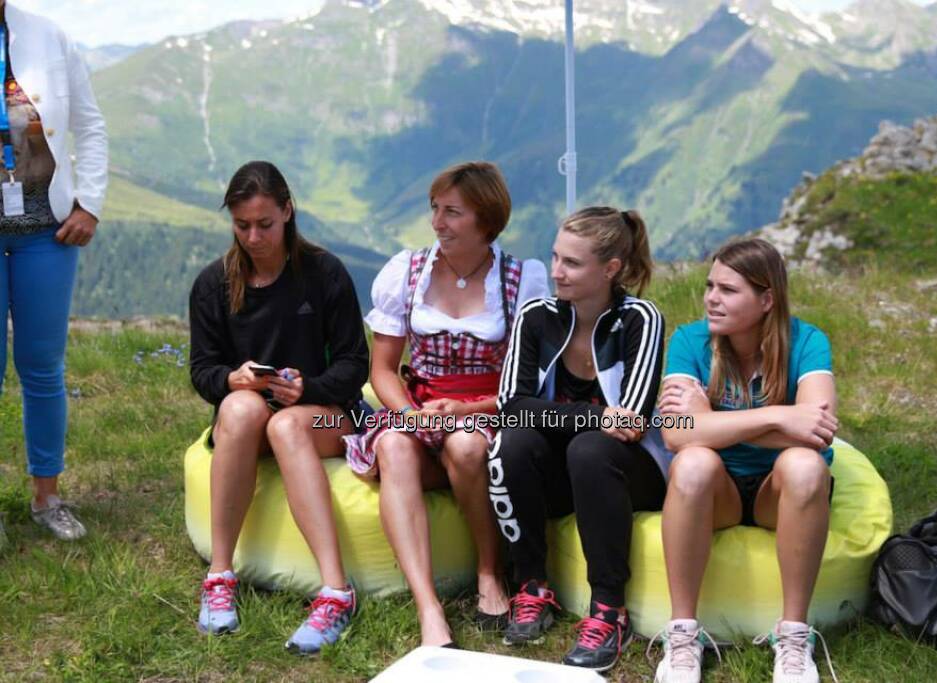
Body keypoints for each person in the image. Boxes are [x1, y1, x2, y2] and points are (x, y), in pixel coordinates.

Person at [342, 161, 548, 647]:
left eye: (452, 212)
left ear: (487, 219)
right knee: (393, 445)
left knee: (467, 448)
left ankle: (488, 573)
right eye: (435, 209)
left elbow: (526, 386)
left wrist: (466, 411)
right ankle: (428, 607)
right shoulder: (406, 272)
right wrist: (411, 416)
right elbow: (383, 371)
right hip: (418, 406)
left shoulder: (521, 280)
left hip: (486, 411)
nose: (437, 222)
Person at [188, 161, 369, 655]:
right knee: (242, 409)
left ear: (288, 212)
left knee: (287, 425)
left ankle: (335, 592)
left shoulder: (324, 273)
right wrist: (231, 379)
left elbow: (356, 364)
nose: (253, 236)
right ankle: (220, 576)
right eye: (241, 225)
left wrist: (308, 387)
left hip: (331, 417)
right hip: (249, 422)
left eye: (264, 224)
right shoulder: (214, 284)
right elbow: (202, 371)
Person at [489, 207, 667, 673]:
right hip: (564, 469)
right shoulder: (536, 317)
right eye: (554, 257)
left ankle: (609, 611)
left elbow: (632, 423)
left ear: (609, 270)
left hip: (626, 473)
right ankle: (531, 588)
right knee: (511, 442)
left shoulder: (640, 320)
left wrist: (578, 420)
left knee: (590, 449)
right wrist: (594, 415)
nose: (555, 271)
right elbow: (512, 406)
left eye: (571, 263)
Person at [654, 238, 838, 683]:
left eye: (728, 290)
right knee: (694, 462)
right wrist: (779, 416)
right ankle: (682, 635)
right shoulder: (689, 341)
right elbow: (676, 436)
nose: (711, 299)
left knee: (804, 464)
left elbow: (817, 432)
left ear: (766, 299)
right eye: (709, 285)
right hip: (720, 492)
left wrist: (712, 421)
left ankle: (793, 637)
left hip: (781, 493)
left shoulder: (807, 342)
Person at [0, 2, 107, 542]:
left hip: (49, 229)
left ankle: (48, 497)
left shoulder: (47, 34)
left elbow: (89, 124)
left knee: (43, 369)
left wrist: (89, 204)